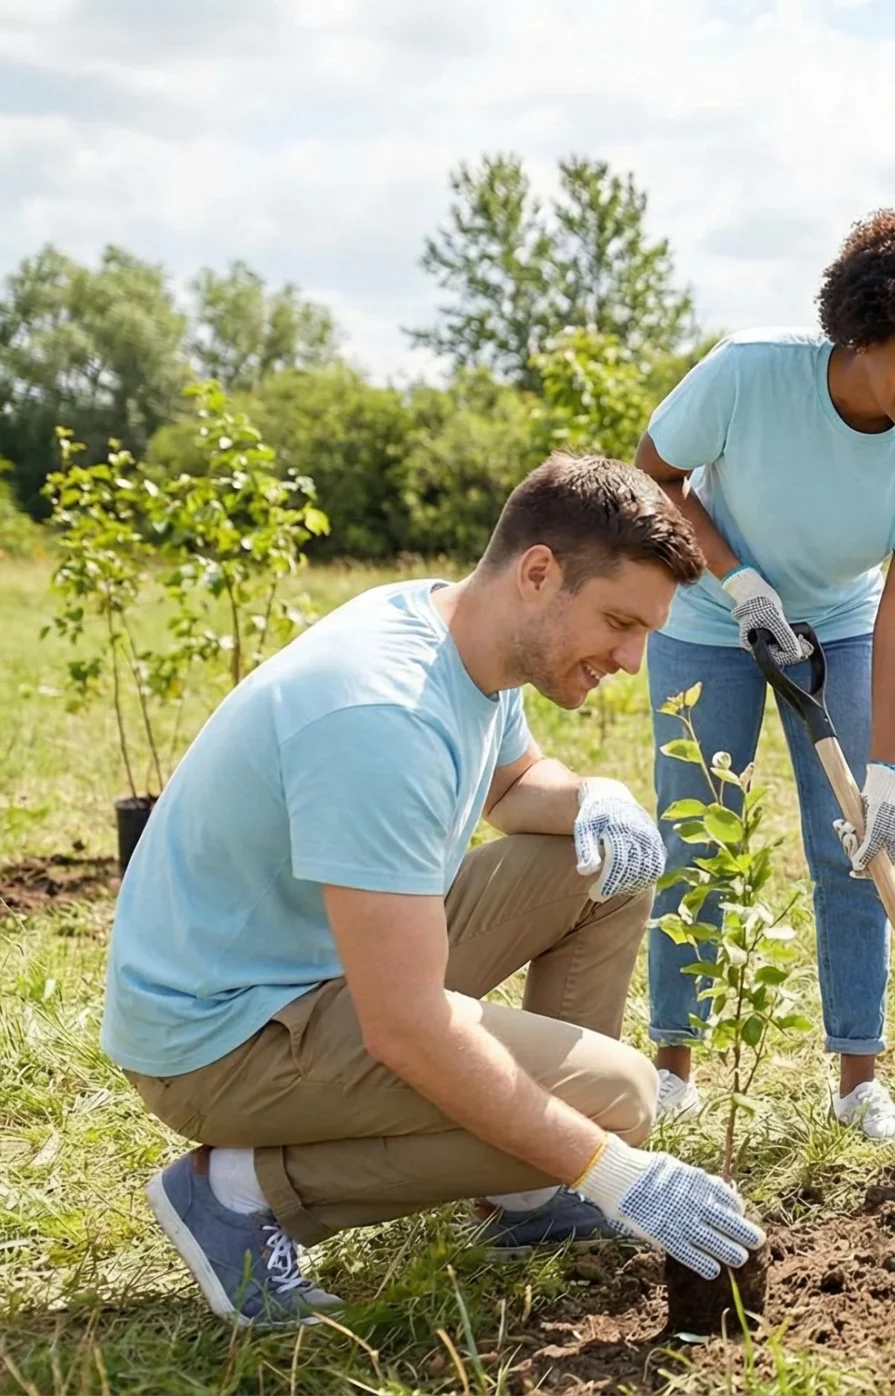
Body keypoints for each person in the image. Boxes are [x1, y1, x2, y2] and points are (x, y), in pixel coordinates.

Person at [105, 455, 764, 1328]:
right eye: (617, 622)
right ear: (538, 574)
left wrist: (589, 798)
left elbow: (512, 787)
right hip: (222, 1035)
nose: (631, 660)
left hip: (318, 963)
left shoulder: (461, 633)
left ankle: (526, 1186)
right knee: (618, 1100)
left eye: (644, 631)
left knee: (604, 863)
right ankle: (238, 1191)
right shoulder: (382, 716)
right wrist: (611, 1168)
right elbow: (407, 1027)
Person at [635, 206, 895, 1139]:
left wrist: (885, 771)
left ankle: (860, 1080)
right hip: (705, 616)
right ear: (862, 332)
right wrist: (737, 583)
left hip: (843, 626)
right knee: (699, 836)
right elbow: (654, 475)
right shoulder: (749, 371)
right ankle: (673, 1068)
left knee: (856, 847)